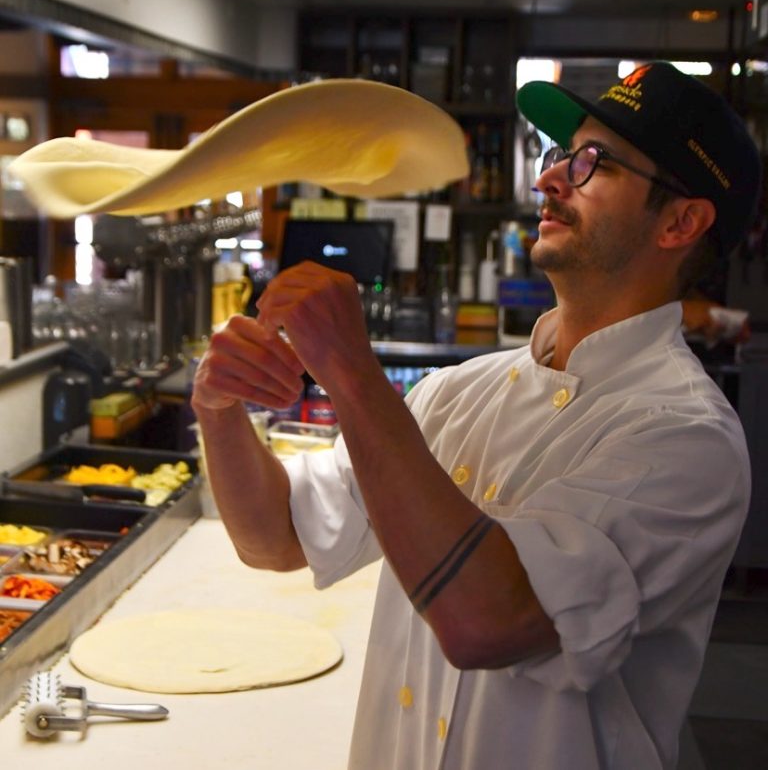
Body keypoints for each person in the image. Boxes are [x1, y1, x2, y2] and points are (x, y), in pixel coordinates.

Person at [191, 61, 761, 770]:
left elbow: (487, 619)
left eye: (596, 163)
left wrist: (351, 372)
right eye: (561, 156)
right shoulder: (458, 391)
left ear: (680, 220)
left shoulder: (686, 437)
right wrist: (218, 410)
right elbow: (276, 535)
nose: (549, 180)